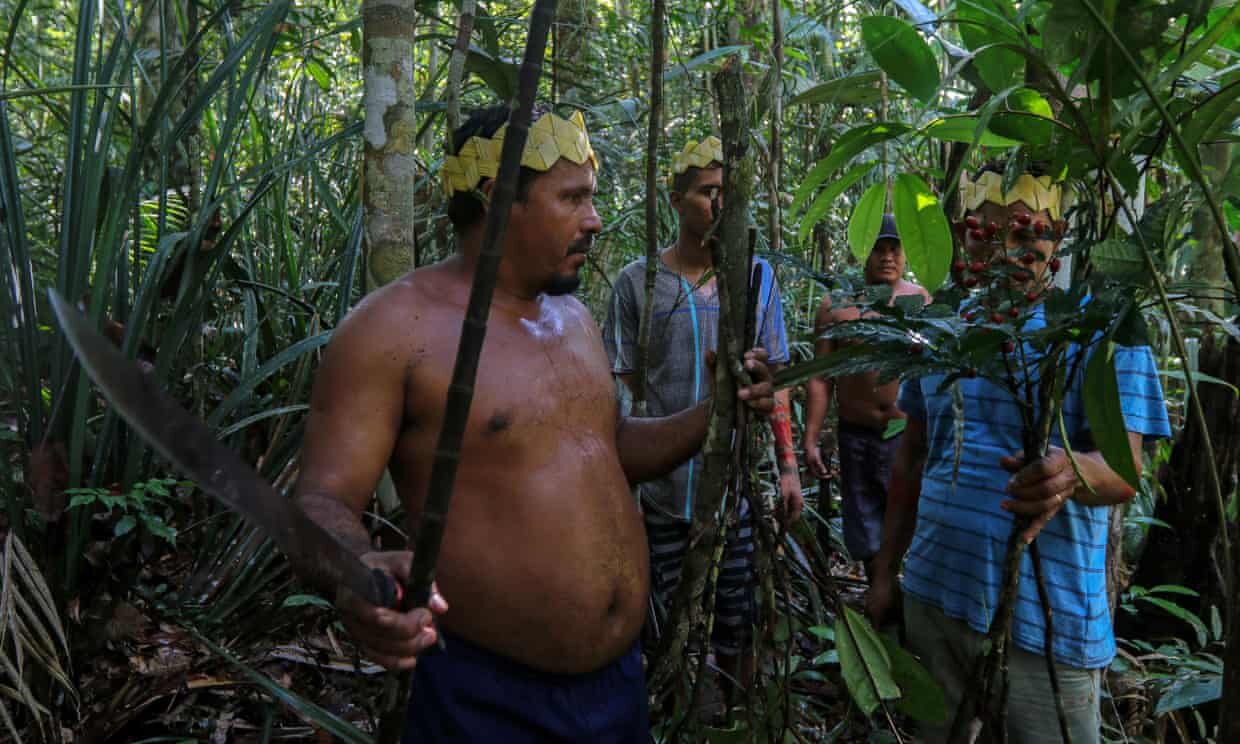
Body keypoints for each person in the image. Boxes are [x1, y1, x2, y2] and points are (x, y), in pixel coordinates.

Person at [291, 105, 777, 742]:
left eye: (592, 198)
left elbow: (610, 451)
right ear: (497, 200)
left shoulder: (572, 318)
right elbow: (319, 500)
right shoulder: (394, 329)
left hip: (616, 688)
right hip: (486, 696)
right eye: (573, 198)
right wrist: (362, 574)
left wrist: (719, 412)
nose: (595, 220)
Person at [865, 165, 1172, 744]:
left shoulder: (1101, 328)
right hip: (934, 595)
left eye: (1030, 235)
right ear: (964, 234)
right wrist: (887, 572)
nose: (1012, 251)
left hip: (1048, 625)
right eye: (991, 234)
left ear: (1057, 238)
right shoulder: (942, 324)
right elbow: (912, 456)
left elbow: (1125, 471)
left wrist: (1071, 472)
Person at [603, 135, 803, 703]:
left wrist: (788, 469)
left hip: (736, 489)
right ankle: (675, 708)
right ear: (675, 200)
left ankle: (731, 716)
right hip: (663, 492)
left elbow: (776, 382)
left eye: (728, 193)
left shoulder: (756, 278)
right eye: (706, 192)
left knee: (738, 618)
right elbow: (622, 385)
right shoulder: (637, 282)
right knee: (665, 620)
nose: (719, 205)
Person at [802, 214, 930, 577]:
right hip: (855, 433)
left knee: (909, 520)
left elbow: (934, 376)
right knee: (864, 527)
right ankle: (879, 597)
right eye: (878, 249)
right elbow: (820, 377)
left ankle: (903, 602)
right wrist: (810, 438)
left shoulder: (919, 302)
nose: (887, 257)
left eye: (894, 249)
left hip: (903, 436)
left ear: (904, 256)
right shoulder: (836, 305)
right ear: (863, 252)